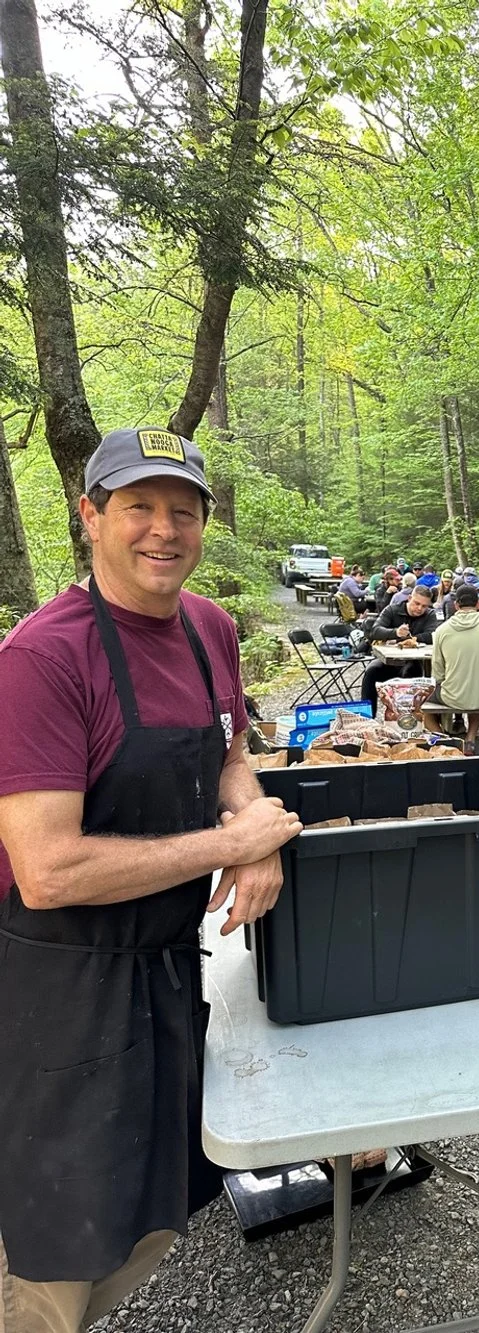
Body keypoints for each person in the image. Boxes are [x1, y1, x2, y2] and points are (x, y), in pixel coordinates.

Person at [0, 426, 303, 1330]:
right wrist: (225, 846)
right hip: (56, 982)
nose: (163, 529)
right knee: (55, 1243)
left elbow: (231, 752)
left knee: (149, 1208)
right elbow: (47, 869)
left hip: (166, 965)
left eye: (183, 509)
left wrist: (254, 833)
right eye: (138, 506)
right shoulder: (41, 659)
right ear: (89, 516)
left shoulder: (210, 628)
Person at [426, 584, 479, 746]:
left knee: (420, 700)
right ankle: (471, 738)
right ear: (478, 604)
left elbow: (437, 674)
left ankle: (443, 739)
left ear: (456, 605)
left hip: (451, 697)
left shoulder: (442, 630)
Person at [360, 583, 437, 712]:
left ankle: (407, 717)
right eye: (416, 603)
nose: (419, 608)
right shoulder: (392, 610)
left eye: (424, 606)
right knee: (371, 671)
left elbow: (433, 634)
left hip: (416, 662)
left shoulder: (430, 615)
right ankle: (366, 715)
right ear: (409, 599)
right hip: (390, 661)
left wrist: (412, 639)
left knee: (410, 673)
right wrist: (395, 633)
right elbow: (375, 631)